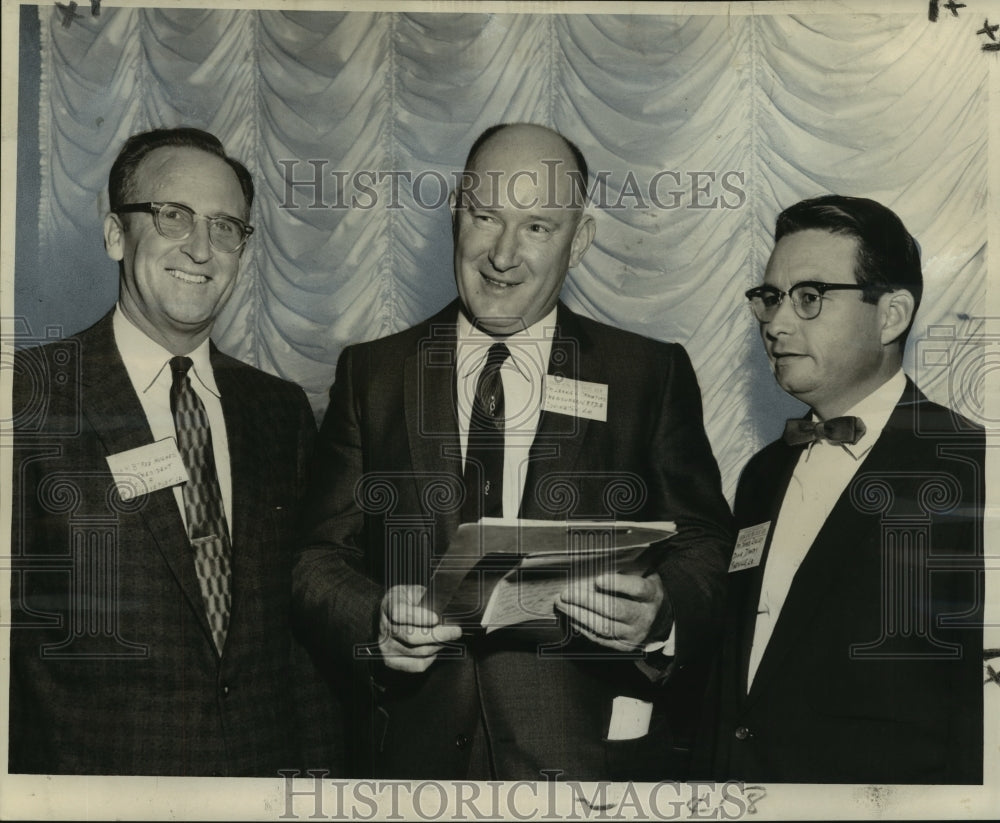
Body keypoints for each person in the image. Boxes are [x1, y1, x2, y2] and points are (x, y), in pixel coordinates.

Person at [293, 123, 733, 780]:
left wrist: (661, 609)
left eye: (537, 227)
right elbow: (316, 558)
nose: (502, 253)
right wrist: (373, 620)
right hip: (412, 765)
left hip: (586, 765)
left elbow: (705, 544)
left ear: (578, 241)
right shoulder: (373, 373)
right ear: (454, 214)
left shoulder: (647, 373)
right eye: (485, 215)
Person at [9, 127, 341, 776]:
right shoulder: (29, 396)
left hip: (261, 780)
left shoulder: (279, 411)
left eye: (225, 227)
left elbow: (301, 641)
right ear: (114, 234)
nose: (200, 247)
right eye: (172, 216)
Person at [700, 195, 984, 783]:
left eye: (810, 298)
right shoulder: (762, 473)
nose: (775, 324)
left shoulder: (970, 465)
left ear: (892, 315)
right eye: (770, 298)